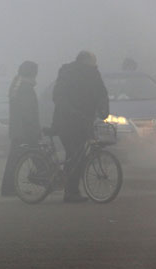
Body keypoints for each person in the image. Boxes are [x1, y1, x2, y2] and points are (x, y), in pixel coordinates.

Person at [52, 51, 109, 203]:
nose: (96, 63)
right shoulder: (68, 72)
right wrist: (72, 110)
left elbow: (102, 93)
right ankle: (70, 192)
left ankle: (71, 189)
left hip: (84, 121)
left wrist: (104, 109)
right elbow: (58, 96)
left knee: (78, 156)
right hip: (67, 121)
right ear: (85, 61)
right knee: (74, 154)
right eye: (93, 60)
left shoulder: (93, 74)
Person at [1, 61, 40, 196]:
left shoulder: (17, 86)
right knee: (32, 155)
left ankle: (8, 188)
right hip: (25, 130)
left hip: (18, 129)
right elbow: (28, 112)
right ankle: (9, 188)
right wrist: (35, 130)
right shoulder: (25, 88)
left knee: (14, 159)